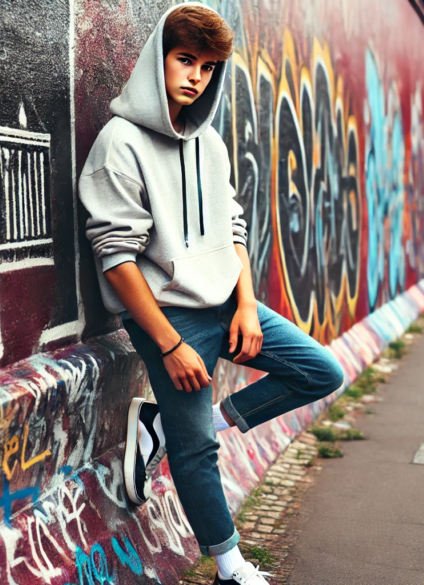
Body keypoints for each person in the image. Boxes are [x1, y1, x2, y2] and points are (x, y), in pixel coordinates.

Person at [77, 5, 345, 584]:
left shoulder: (212, 144)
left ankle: (164, 428)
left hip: (226, 303)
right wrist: (170, 345)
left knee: (322, 372)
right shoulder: (118, 143)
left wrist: (247, 304)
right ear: (159, 60)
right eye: (185, 59)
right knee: (195, 451)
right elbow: (117, 258)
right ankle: (230, 568)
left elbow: (234, 232)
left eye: (207, 66)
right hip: (167, 316)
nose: (196, 75)